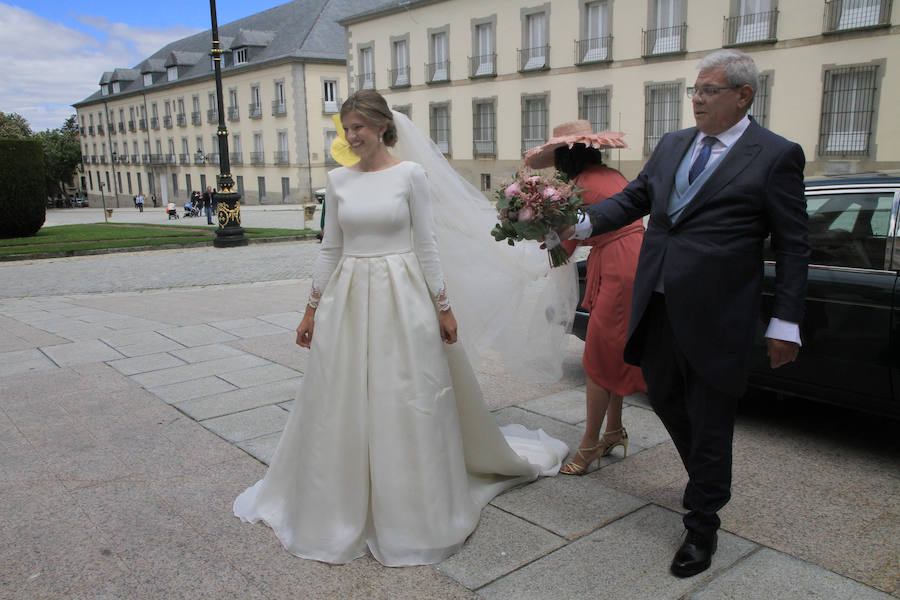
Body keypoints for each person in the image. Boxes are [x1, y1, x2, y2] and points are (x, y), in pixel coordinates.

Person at [233, 90, 573, 567]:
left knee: (408, 391)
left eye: (359, 127)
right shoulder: (337, 180)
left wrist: (444, 307)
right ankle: (339, 499)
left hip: (403, 293)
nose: (352, 136)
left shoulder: (410, 175)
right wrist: (310, 309)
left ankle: (413, 507)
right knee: (340, 392)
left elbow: (427, 244)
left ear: (381, 127)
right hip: (348, 296)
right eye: (346, 128)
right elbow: (330, 248)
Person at [558, 49, 808, 577]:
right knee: (666, 397)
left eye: (709, 90)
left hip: (720, 315)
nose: (696, 99)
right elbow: (633, 201)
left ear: (744, 96)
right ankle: (709, 481)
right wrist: (578, 224)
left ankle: (701, 525)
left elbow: (793, 246)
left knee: (711, 418)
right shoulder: (673, 146)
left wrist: (785, 322)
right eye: (693, 90)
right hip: (659, 304)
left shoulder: (776, 155)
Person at [525, 121, 646, 475]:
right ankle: (612, 431)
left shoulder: (578, 187)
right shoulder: (610, 175)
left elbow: (565, 248)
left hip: (619, 266)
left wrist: (543, 238)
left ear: (565, 158)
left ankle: (590, 444)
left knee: (596, 358)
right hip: (634, 259)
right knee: (614, 351)